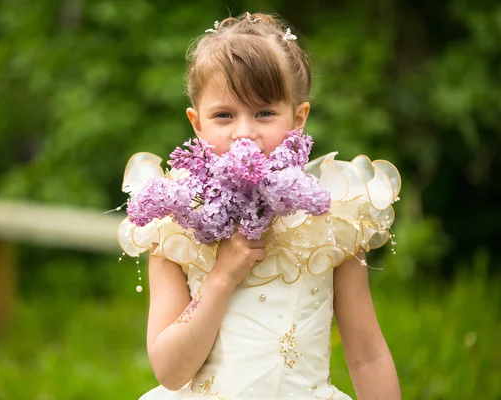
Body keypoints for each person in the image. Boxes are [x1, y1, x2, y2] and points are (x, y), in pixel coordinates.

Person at [118, 12, 402, 399]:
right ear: (197, 123)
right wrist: (221, 277)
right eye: (224, 115)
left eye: (264, 112)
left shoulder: (332, 221)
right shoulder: (176, 224)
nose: (245, 133)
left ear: (298, 118)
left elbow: (367, 355)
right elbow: (169, 370)